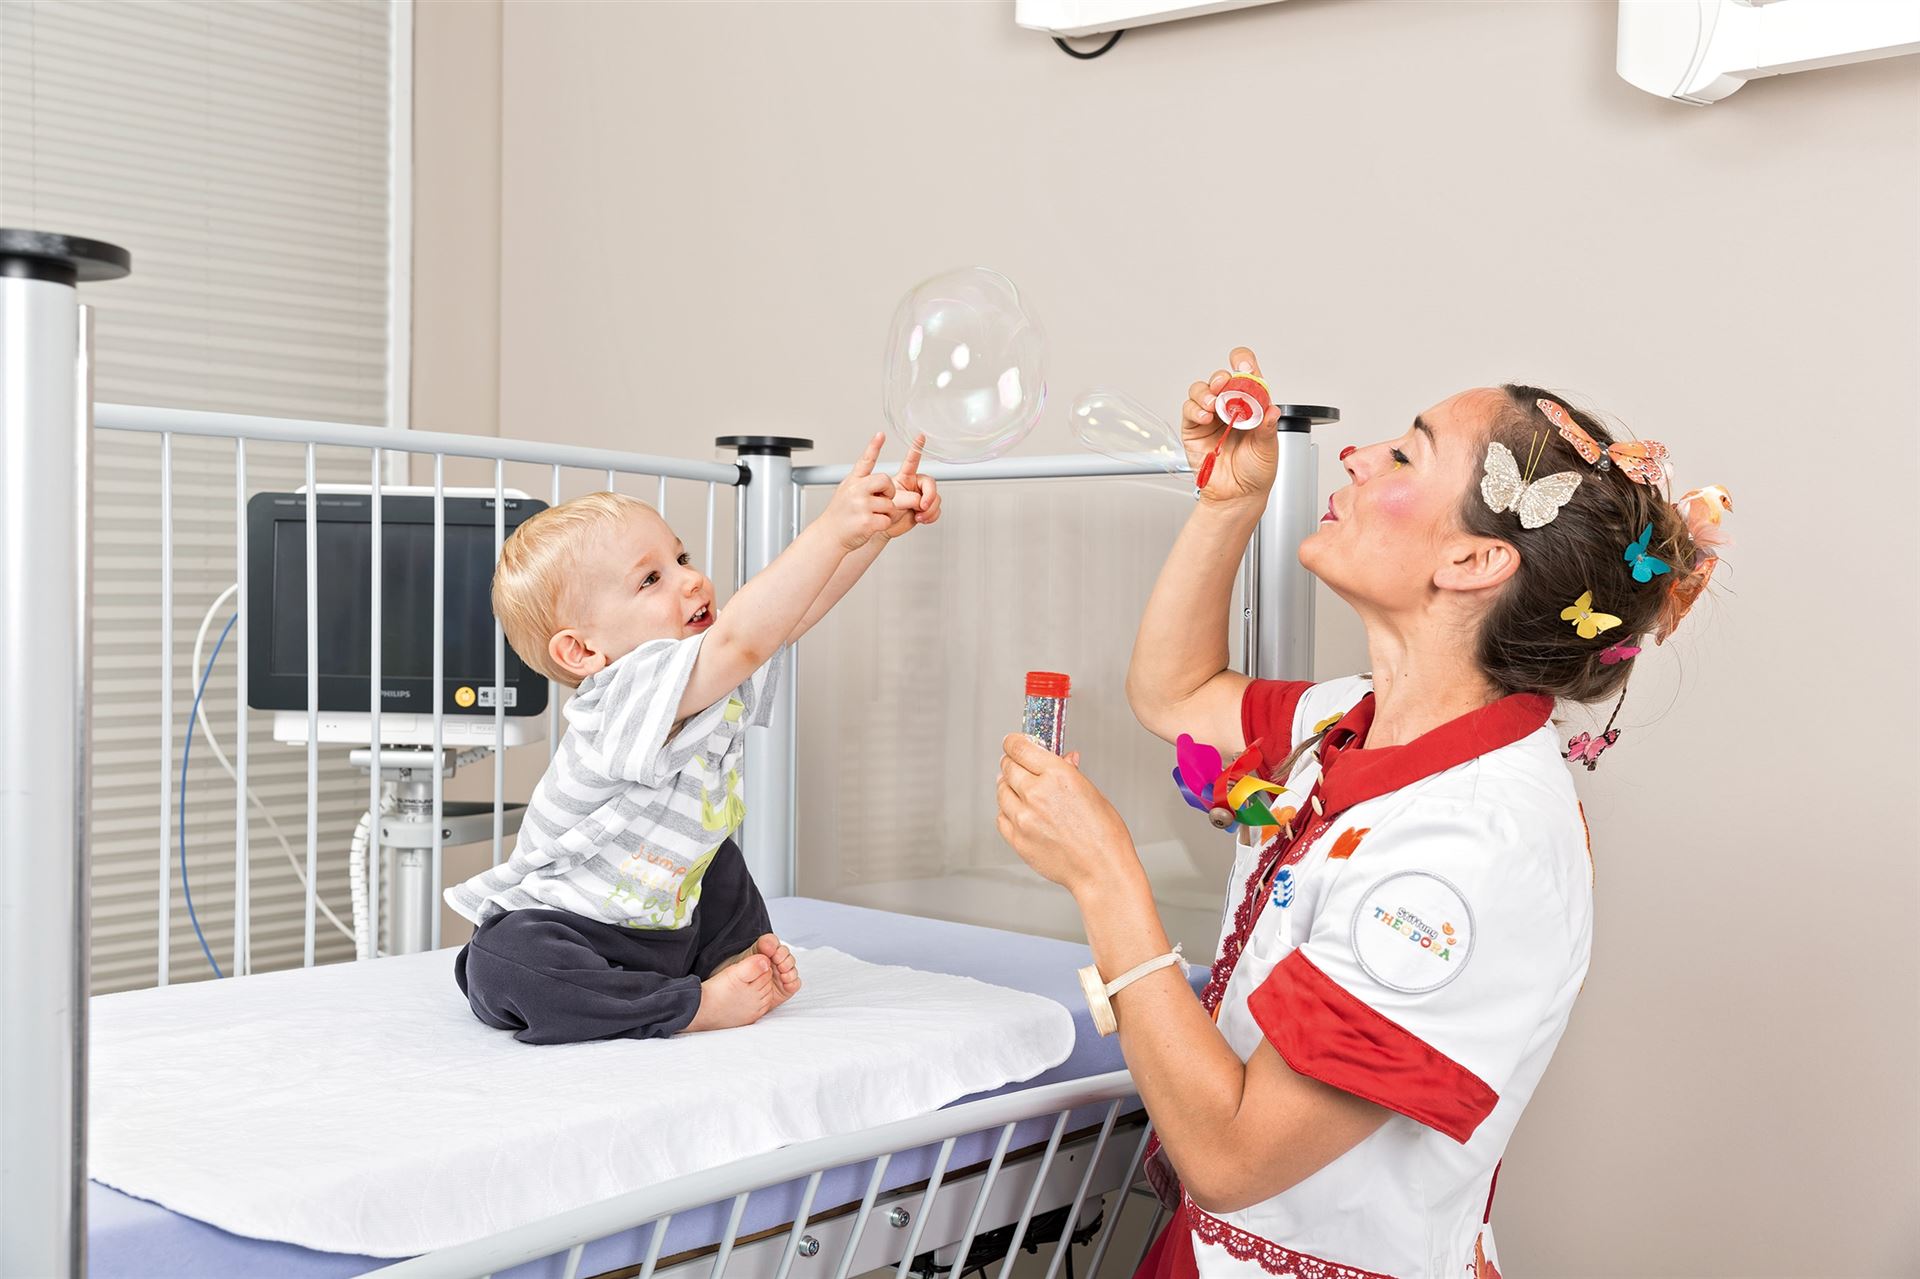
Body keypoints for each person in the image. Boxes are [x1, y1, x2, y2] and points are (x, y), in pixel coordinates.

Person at [995, 349, 1726, 1277]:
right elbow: (1175, 692)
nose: (1356, 454)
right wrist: (1229, 504)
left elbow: (1229, 1159)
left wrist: (1104, 877)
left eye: (1407, 454)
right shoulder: (1352, 719)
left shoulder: (1476, 846)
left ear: (1473, 559)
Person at [448, 434, 940, 1044]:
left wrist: (870, 535)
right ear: (582, 651)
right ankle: (691, 1004)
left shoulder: (703, 670)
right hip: (573, 929)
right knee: (502, 959)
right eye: (651, 579)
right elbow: (746, 639)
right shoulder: (620, 692)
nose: (692, 580)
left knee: (718, 857)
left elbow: (788, 618)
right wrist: (832, 529)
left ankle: (728, 956)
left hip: (665, 925)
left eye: (681, 558)